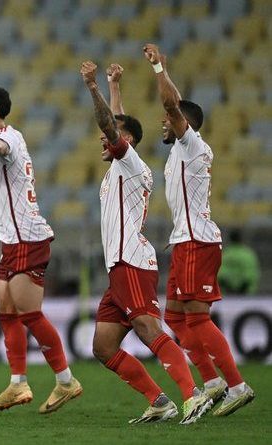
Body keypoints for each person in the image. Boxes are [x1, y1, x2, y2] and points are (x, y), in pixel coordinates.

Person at [82, 60, 211, 424]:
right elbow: (120, 122)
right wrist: (115, 85)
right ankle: (159, 401)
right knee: (103, 347)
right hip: (118, 267)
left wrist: (93, 87)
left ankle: (192, 394)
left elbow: (113, 125)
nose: (103, 140)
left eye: (112, 137)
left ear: (126, 142)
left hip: (132, 262)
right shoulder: (120, 166)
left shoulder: (132, 164)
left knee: (147, 327)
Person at [0, 85, 81, 414]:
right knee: (6, 312)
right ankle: (18, 382)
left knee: (29, 314)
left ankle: (66, 381)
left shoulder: (12, 136)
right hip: (11, 241)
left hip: (28, 238)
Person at [144, 43, 255, 416]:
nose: (163, 123)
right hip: (184, 241)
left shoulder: (191, 145)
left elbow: (172, 107)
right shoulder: (179, 151)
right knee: (175, 317)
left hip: (198, 241)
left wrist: (160, 68)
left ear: (183, 124)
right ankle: (212, 383)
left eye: (168, 120)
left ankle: (237, 385)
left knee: (197, 317)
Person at [218, 229, 261, 295]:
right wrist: (242, 288)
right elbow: (251, 274)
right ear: (241, 239)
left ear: (230, 239)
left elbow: (220, 273)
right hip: (245, 293)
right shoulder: (248, 254)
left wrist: (228, 287)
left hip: (227, 294)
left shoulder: (225, 253)